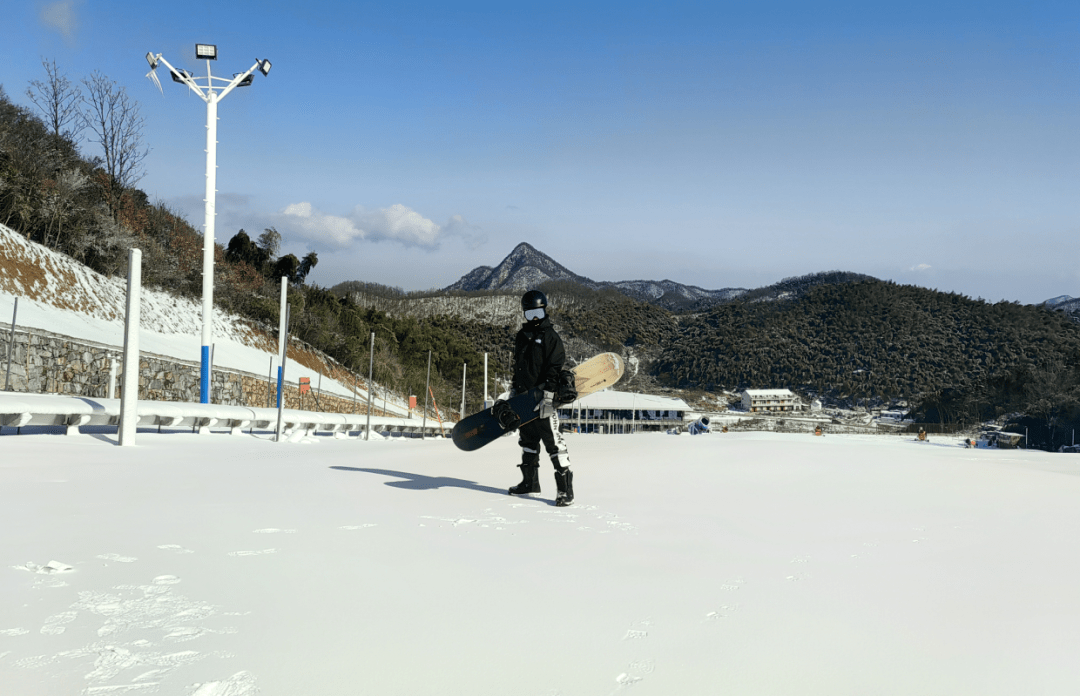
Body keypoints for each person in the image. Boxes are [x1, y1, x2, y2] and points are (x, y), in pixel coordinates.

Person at [507, 289, 574, 506]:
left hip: (545, 400)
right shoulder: (521, 337)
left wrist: (548, 397)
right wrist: (514, 391)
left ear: (544, 311)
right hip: (525, 400)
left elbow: (554, 369)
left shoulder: (550, 337)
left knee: (554, 444)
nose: (534, 318)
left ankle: (565, 491)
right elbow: (518, 368)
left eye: (537, 313)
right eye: (529, 314)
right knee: (527, 441)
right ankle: (530, 484)